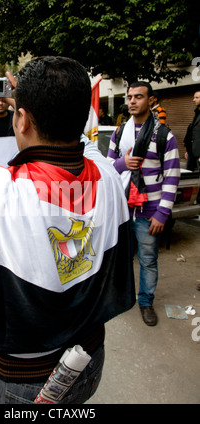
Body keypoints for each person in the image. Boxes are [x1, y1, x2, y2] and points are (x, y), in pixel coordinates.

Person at [0, 57, 135, 404]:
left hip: (26, 381)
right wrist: (53, 106)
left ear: (22, 119)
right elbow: (81, 139)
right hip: (90, 357)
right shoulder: (107, 175)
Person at [107, 81, 180, 326]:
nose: (132, 101)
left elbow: (172, 176)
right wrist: (121, 164)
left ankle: (146, 301)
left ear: (150, 101)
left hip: (149, 211)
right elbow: (107, 167)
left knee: (148, 259)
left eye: (138, 97)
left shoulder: (164, 135)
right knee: (121, 257)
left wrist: (162, 213)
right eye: (129, 97)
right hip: (123, 208)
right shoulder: (119, 133)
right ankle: (121, 297)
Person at [183, 90, 200, 175]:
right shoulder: (197, 112)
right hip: (192, 151)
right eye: (194, 97)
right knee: (189, 175)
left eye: (197, 97)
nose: (194, 100)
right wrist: (188, 150)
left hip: (198, 152)